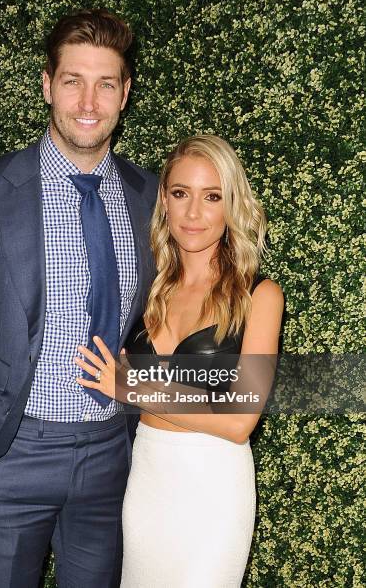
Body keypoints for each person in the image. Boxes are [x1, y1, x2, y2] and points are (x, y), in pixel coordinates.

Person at [0, 9, 158, 588]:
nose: (88, 101)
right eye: (73, 80)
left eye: (105, 84)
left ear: (125, 94)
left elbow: (168, 314)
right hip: (10, 451)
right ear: (47, 84)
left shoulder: (150, 193)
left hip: (110, 456)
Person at [75, 135, 284, 587]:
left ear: (231, 206)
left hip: (213, 486)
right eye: (180, 194)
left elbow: (240, 420)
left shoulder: (259, 295)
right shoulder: (149, 287)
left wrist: (132, 387)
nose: (193, 213)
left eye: (212, 197)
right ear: (163, 202)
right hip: (148, 477)